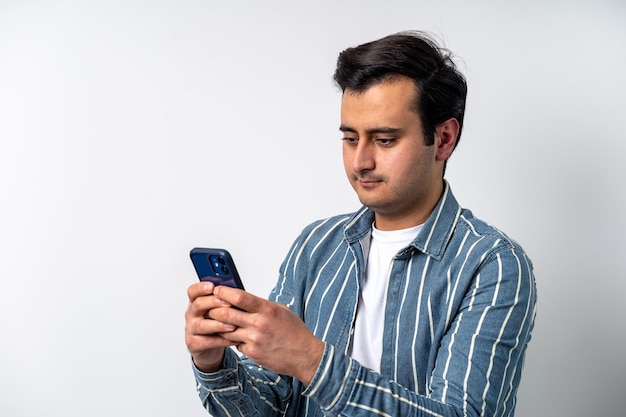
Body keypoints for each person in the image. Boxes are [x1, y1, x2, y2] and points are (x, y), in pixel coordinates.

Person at [185, 30, 537, 417]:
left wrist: (312, 361)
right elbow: (271, 406)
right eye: (351, 138)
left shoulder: (493, 265)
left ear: (443, 139)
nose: (360, 162)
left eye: (384, 140)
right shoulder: (315, 245)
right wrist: (214, 364)